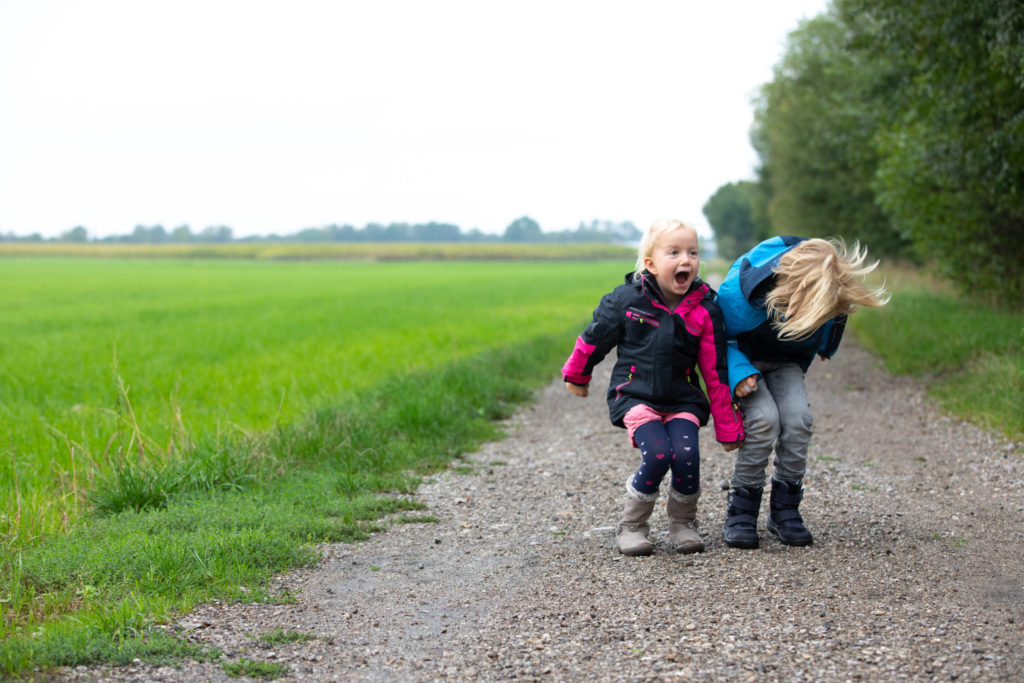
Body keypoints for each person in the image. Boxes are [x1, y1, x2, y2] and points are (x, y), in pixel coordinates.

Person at [561, 218, 744, 556]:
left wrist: (728, 427)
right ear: (651, 263)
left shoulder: (705, 309)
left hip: (682, 399)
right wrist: (577, 376)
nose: (685, 260)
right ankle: (632, 525)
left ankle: (683, 523)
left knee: (687, 457)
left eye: (692, 252)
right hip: (635, 395)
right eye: (673, 252)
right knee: (660, 454)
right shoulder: (627, 301)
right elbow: (594, 338)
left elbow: (715, 373)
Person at [716, 236, 889, 549]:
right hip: (743, 361)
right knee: (765, 420)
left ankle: (785, 509)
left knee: (798, 419)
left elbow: (834, 317)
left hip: (785, 361)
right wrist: (739, 374)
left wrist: (826, 346)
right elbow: (717, 341)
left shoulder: (827, 286)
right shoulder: (738, 295)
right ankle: (741, 510)